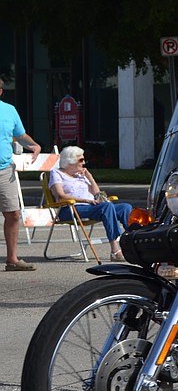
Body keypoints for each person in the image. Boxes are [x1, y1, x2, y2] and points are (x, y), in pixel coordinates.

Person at [48, 145, 132, 261]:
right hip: (71, 208)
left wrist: (89, 177)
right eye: (81, 160)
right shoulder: (56, 173)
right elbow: (61, 196)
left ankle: (133, 242)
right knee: (107, 207)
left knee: (125, 208)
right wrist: (86, 200)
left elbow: (98, 195)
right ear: (70, 161)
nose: (84, 163)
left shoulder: (80, 175)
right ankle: (115, 250)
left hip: (92, 207)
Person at [0, 77, 42, 271]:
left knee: (13, 214)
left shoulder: (9, 110)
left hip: (4, 170)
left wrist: (33, 145)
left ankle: (12, 259)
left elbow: (20, 136)